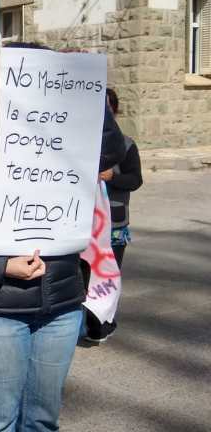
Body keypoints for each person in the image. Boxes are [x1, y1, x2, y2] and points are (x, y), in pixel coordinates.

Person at [0, 44, 124, 431]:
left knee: (42, 419)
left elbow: (114, 150)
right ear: (0, 80)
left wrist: (89, 95)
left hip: (61, 303)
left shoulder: (70, 130)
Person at [84, 88, 142, 342]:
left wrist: (112, 177)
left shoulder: (127, 145)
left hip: (115, 223)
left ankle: (103, 324)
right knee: (85, 274)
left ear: (114, 111)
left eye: (106, 107)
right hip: (87, 222)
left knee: (108, 272)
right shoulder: (81, 140)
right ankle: (87, 322)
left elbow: (135, 179)